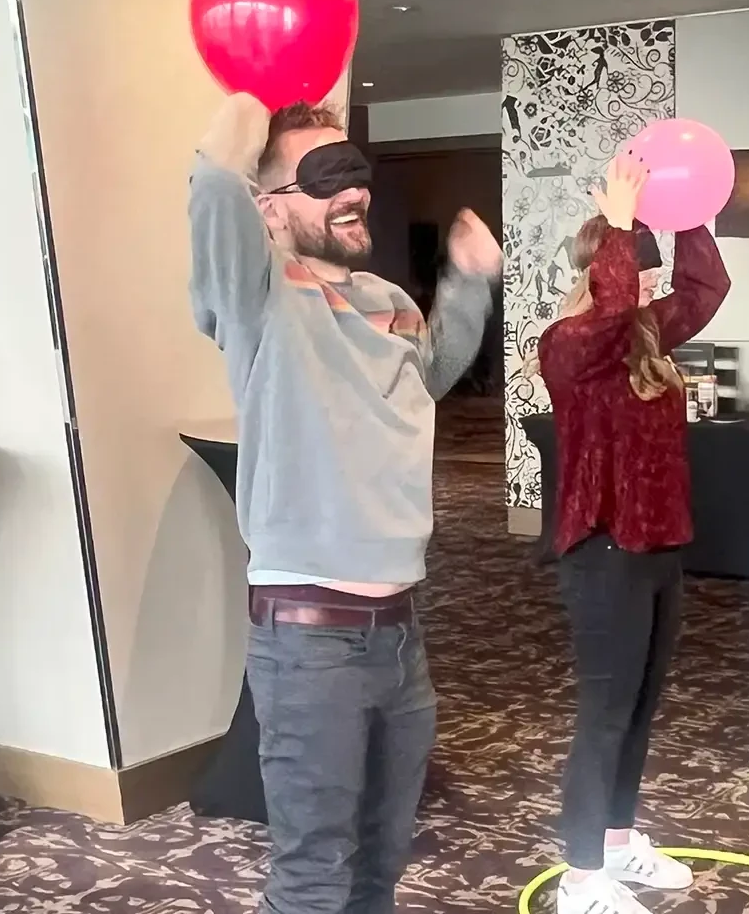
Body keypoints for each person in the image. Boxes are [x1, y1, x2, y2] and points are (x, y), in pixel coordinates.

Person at [188, 93, 499, 914]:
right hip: (307, 641)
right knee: (314, 870)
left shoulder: (385, 298)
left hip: (400, 634)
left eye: (354, 169)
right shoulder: (260, 297)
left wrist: (466, 283)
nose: (354, 189)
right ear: (272, 205)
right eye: (326, 175)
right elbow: (215, 187)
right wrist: (249, 96)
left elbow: (426, 379)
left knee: (381, 855)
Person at [536, 155, 730, 914]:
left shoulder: (646, 332)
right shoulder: (568, 343)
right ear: (601, 269)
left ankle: (616, 843)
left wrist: (686, 216)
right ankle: (581, 878)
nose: (648, 288)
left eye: (649, 273)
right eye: (633, 270)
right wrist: (620, 224)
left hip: (658, 548)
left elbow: (704, 289)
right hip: (603, 552)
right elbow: (613, 311)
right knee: (605, 711)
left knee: (642, 707)